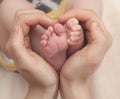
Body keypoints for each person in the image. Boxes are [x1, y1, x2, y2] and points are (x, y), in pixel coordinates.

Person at [6, 9, 112, 99]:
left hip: (36, 24)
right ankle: (76, 42)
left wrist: (40, 88)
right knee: (88, 7)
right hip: (62, 14)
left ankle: (44, 50)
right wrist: (75, 82)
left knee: (11, 7)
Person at [0, 0, 102, 71]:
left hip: (63, 12)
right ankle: (42, 48)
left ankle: (77, 35)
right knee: (9, 5)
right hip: (21, 36)